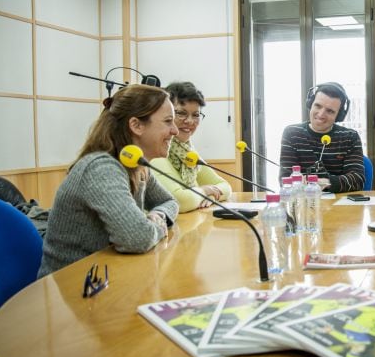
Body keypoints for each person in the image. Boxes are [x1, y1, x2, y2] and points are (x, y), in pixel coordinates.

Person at [38, 85, 179, 278]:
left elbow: (169, 202)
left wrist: (157, 216)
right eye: (168, 121)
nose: (175, 130)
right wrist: (158, 228)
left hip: (107, 276)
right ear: (136, 125)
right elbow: (136, 238)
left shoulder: (137, 165)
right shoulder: (100, 168)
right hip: (72, 289)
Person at [151, 82, 231, 212]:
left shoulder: (186, 151)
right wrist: (204, 191)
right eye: (181, 113)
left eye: (196, 115)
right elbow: (179, 201)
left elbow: (225, 186)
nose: (190, 121)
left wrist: (211, 195)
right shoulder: (155, 150)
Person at [279, 82, 365, 193]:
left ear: (339, 116)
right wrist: (296, 182)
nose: (321, 114)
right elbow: (284, 179)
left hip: (340, 207)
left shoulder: (350, 137)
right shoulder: (291, 134)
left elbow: (358, 180)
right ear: (311, 104)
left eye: (330, 111)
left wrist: (326, 182)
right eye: (318, 106)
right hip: (304, 204)